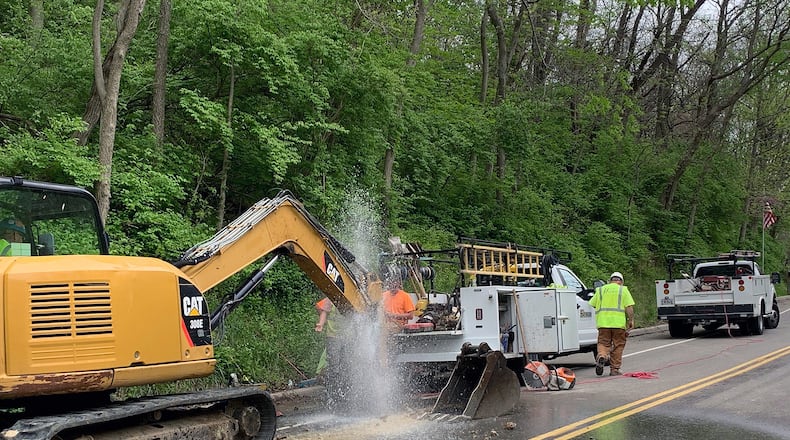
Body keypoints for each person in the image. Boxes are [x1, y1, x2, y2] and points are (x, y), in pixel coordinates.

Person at [588, 271, 635, 376]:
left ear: (610, 281)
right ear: (621, 281)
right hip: (618, 325)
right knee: (618, 345)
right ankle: (615, 369)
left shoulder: (600, 290)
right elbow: (629, 307)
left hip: (603, 323)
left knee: (603, 343)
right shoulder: (623, 290)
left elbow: (592, 304)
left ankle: (602, 356)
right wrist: (630, 320)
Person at [314, 297, 338, 377]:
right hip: (332, 336)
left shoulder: (352, 298)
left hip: (347, 337)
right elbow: (324, 312)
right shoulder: (331, 298)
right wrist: (320, 324)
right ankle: (333, 381)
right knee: (333, 361)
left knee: (345, 362)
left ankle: (343, 382)